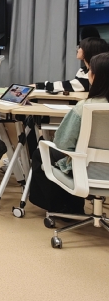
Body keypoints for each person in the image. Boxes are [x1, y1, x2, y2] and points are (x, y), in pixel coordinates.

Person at [29, 53, 109, 214]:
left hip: (87, 168)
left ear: (95, 77)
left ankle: (63, 208)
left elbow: (62, 144)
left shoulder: (84, 107)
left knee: (42, 153)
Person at [34, 37, 108, 93]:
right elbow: (73, 84)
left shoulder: (96, 73)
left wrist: (41, 85)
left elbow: (70, 86)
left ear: (88, 50)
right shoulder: (82, 70)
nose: (77, 50)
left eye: (80, 47)